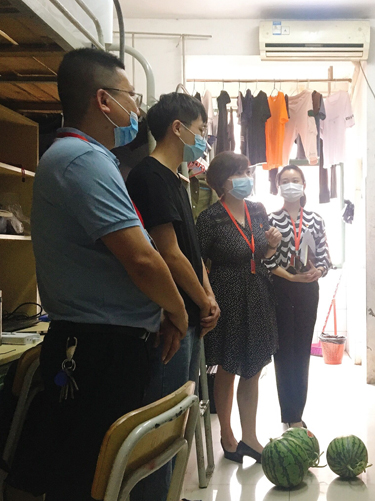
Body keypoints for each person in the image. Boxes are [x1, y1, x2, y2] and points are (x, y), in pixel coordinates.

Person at [31, 48, 188, 501]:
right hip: (96, 351)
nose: (136, 108)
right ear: (104, 100)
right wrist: (177, 310)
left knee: (106, 477)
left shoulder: (89, 158)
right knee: (91, 479)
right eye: (131, 96)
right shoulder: (82, 160)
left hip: (107, 343)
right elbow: (142, 259)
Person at [127, 92, 221, 501]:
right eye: (200, 130)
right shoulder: (149, 177)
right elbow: (168, 252)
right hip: (170, 318)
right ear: (177, 128)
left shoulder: (178, 180)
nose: (204, 139)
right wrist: (199, 301)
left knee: (177, 420)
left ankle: (166, 493)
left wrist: (209, 296)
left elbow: (191, 249)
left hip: (191, 313)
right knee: (162, 424)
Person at [196, 151, 282, 463]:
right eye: (240, 173)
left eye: (247, 172)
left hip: (258, 294)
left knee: (254, 367)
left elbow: (262, 254)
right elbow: (197, 260)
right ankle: (227, 434)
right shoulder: (209, 218)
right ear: (223, 182)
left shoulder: (257, 210)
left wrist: (272, 246)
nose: (247, 178)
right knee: (229, 367)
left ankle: (250, 437)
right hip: (227, 296)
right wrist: (207, 296)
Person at [265, 165, 332, 429]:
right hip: (280, 288)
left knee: (302, 351)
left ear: (304, 185)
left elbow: (325, 257)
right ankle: (288, 414)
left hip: (308, 290)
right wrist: (290, 277)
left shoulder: (315, 219)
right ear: (278, 186)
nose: (290, 184)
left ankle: (297, 415)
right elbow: (265, 260)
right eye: (285, 180)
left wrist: (319, 271)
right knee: (283, 352)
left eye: (295, 180)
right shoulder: (269, 220)